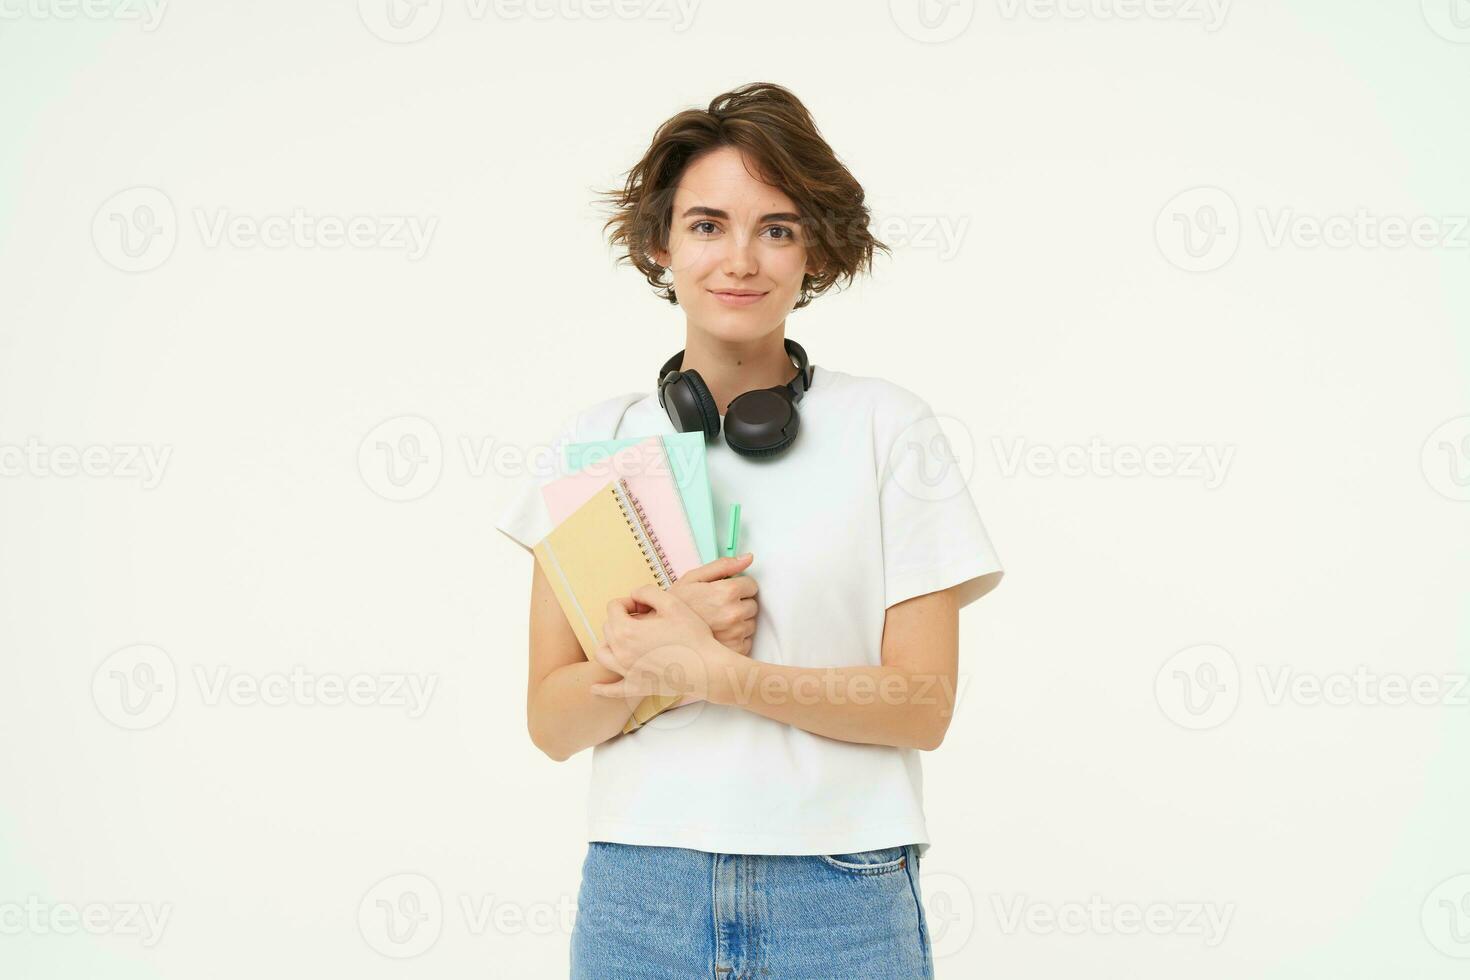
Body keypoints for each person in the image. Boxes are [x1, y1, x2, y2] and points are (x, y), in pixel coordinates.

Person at [495, 81, 1004, 980]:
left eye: (776, 227)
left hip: (840, 893)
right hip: (639, 895)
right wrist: (650, 656)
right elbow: (550, 721)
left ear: (816, 250)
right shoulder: (597, 442)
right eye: (706, 225)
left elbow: (924, 705)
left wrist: (720, 674)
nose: (741, 259)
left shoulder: (890, 427)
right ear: (661, 242)